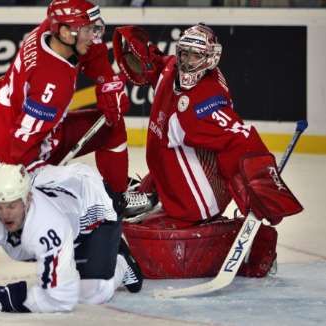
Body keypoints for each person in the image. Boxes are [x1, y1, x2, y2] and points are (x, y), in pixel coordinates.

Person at [0, 0, 139, 268]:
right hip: (18, 146)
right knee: (110, 131)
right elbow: (21, 146)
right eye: (88, 30)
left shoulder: (48, 30)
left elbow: (95, 53)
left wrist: (105, 82)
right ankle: (116, 201)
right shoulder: (55, 84)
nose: (94, 36)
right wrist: (28, 177)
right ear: (66, 33)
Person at [111, 23, 302, 278]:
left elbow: (240, 140)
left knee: (135, 225)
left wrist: (263, 186)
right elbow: (156, 65)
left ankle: (256, 243)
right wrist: (139, 51)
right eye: (184, 54)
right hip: (171, 175)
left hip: (194, 199)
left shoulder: (205, 102)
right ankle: (155, 194)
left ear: (210, 58)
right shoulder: (171, 69)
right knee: (122, 204)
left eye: (195, 56)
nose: (187, 62)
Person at [0, 163, 143, 320]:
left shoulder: (48, 223)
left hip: (93, 206)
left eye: (11, 206)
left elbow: (61, 297)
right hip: (56, 189)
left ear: (27, 199)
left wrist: (13, 299)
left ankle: (121, 261)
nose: (4, 214)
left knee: (93, 292)